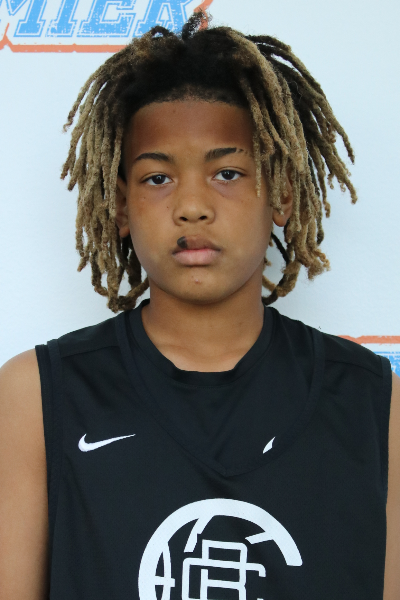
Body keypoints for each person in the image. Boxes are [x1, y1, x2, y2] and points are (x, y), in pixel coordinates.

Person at [0, 10, 399, 599]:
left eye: (227, 173)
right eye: (158, 178)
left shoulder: (374, 402)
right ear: (120, 206)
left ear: (282, 193)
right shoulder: (37, 395)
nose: (192, 206)